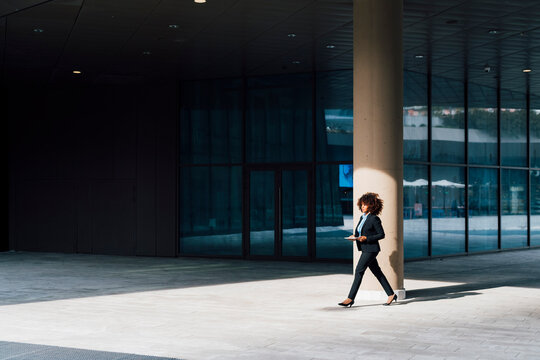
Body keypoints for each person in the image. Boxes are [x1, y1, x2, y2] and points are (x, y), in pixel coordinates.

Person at [338, 192, 397, 307]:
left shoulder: (374, 219)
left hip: (371, 249)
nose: (363, 207)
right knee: (377, 272)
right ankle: (391, 294)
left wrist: (367, 238)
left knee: (359, 271)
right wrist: (354, 237)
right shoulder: (362, 218)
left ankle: (350, 298)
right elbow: (359, 233)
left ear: (371, 206)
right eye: (362, 204)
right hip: (365, 248)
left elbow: (381, 234)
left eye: (365, 205)